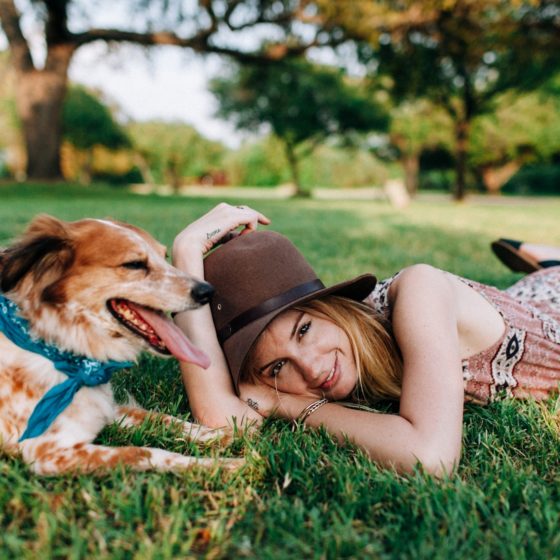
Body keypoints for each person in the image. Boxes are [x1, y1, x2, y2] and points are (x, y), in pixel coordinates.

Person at [172, 203, 560, 476]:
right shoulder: (339, 355)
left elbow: (430, 458)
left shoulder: (419, 289)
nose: (311, 367)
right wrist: (186, 255)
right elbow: (223, 418)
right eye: (278, 367)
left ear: (332, 306)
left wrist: (285, 403)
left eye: (304, 329)